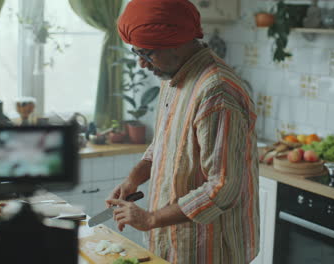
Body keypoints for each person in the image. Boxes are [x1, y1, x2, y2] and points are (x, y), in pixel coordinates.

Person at [106, 0, 260, 263]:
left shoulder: (216, 92)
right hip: (173, 242)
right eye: (137, 53)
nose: (142, 64)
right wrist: (134, 178)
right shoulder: (173, 76)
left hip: (209, 249)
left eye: (148, 54)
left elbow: (222, 188)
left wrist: (151, 218)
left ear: (177, 42)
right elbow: (164, 143)